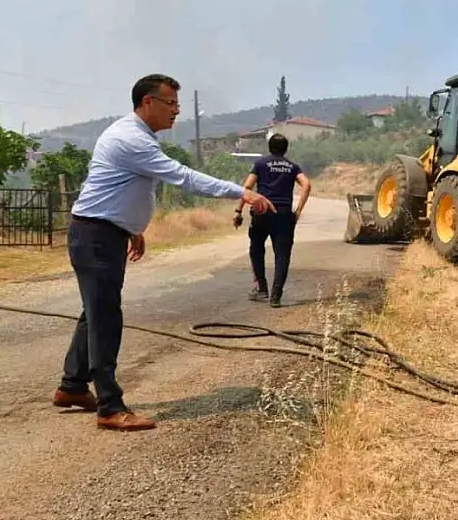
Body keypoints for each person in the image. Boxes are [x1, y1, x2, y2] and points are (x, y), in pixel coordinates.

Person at [53, 74, 275, 432]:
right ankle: (109, 406)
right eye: (170, 103)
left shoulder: (137, 136)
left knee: (95, 311)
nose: (175, 112)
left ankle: (72, 386)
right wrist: (241, 193)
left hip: (101, 232)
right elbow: (183, 177)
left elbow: (122, 187)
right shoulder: (131, 140)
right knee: (105, 316)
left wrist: (130, 228)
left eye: (177, 105)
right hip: (95, 235)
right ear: (147, 103)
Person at [234, 132, 311, 307]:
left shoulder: (261, 164)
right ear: (286, 149)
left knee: (256, 249)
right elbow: (306, 184)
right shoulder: (292, 167)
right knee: (282, 255)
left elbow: (247, 187)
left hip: (262, 212)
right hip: (283, 215)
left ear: (269, 147)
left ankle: (262, 289)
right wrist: (297, 211)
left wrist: (238, 210)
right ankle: (276, 297)